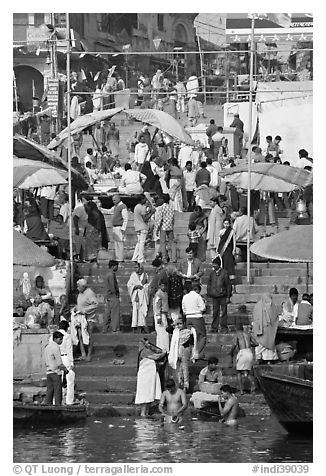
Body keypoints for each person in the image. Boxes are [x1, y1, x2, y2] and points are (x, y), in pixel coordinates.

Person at [135, 338, 166, 417]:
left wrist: (151, 346)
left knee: (150, 393)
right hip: (145, 376)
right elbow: (156, 357)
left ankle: (147, 412)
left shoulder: (149, 349)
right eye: (146, 343)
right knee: (146, 394)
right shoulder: (144, 351)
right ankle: (143, 413)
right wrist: (164, 353)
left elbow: (158, 351)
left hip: (150, 375)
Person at [168, 319, 197, 391]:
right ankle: (178, 384)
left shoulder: (189, 331)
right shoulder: (175, 331)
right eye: (177, 324)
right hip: (176, 351)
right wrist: (173, 324)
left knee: (184, 368)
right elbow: (167, 329)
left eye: (180, 324)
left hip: (185, 350)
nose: (179, 326)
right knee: (177, 368)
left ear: (184, 323)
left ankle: (186, 385)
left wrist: (193, 353)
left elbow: (191, 343)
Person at [207, 256, 232, 334]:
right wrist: (209, 293)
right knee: (215, 312)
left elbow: (228, 285)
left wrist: (228, 296)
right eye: (213, 264)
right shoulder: (212, 274)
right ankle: (214, 327)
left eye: (215, 264)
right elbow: (209, 284)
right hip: (214, 296)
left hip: (223, 296)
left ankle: (224, 327)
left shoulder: (225, 273)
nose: (213, 265)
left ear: (218, 265)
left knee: (224, 312)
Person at [230, 323, 257, 395]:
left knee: (239, 372)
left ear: (236, 329)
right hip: (249, 352)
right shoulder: (248, 334)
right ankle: (253, 389)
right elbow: (256, 343)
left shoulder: (237, 334)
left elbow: (235, 344)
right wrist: (249, 344)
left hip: (242, 353)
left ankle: (241, 391)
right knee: (248, 372)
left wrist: (230, 352)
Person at [252, 293, 279, 363]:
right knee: (269, 345)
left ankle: (259, 359)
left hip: (261, 330)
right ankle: (268, 360)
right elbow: (275, 318)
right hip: (269, 331)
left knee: (260, 345)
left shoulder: (257, 305)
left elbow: (255, 319)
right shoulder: (272, 306)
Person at [101, 194, 128, 263]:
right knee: (116, 243)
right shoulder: (116, 207)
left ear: (119, 199)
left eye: (115, 200)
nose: (113, 201)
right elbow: (109, 211)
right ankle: (117, 257)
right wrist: (101, 209)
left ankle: (120, 258)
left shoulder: (123, 206)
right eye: (113, 200)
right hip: (115, 227)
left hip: (119, 227)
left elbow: (125, 218)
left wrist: (123, 228)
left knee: (120, 243)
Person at [182, 283, 206, 360]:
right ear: (197, 290)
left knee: (189, 337)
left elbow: (184, 309)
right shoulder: (197, 296)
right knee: (202, 336)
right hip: (197, 318)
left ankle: (189, 353)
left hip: (188, 318)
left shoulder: (185, 297)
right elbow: (203, 308)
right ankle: (197, 353)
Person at [76, 278, 98, 361]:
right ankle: (83, 353)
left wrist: (85, 310)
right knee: (80, 335)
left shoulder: (89, 293)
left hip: (89, 318)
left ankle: (89, 354)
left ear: (83, 286)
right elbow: (80, 304)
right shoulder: (80, 293)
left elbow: (95, 304)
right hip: (80, 317)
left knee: (89, 336)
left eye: (79, 286)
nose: (77, 288)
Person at [44, 331, 67, 405]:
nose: (61, 341)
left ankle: (48, 406)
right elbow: (59, 363)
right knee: (57, 392)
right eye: (60, 339)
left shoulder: (47, 347)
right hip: (56, 373)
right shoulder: (56, 348)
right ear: (55, 339)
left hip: (48, 372)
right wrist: (66, 370)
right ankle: (58, 406)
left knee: (49, 391)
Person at [132, 195, 155, 264]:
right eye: (144, 199)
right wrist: (151, 212)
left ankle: (135, 257)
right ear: (141, 200)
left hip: (137, 226)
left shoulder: (136, 207)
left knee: (139, 243)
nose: (145, 200)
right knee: (142, 243)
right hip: (143, 227)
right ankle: (140, 258)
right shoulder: (141, 207)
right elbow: (145, 218)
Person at [127, 262, 150, 332]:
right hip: (136, 296)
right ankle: (134, 327)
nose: (135, 269)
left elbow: (147, 285)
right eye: (135, 267)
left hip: (143, 296)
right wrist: (136, 286)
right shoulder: (133, 275)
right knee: (135, 312)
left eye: (137, 267)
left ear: (140, 268)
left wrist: (143, 287)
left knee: (142, 312)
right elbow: (129, 285)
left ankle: (142, 326)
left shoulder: (145, 275)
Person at [156, 193, 177, 263]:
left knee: (163, 242)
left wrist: (157, 229)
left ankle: (164, 258)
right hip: (170, 226)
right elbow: (173, 218)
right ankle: (174, 258)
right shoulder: (172, 207)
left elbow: (160, 219)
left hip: (163, 227)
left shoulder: (161, 208)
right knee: (172, 243)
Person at [58, 320, 75, 405]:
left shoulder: (52, 336)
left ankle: (56, 401)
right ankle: (69, 401)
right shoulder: (67, 336)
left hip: (56, 358)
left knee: (57, 380)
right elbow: (69, 350)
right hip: (65, 358)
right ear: (67, 328)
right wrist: (71, 362)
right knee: (70, 379)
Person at [218, 217, 236, 292]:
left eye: (227, 223)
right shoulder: (221, 231)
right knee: (223, 264)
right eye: (225, 223)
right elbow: (219, 241)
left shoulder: (232, 231)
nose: (226, 225)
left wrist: (234, 249)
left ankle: (231, 281)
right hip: (222, 251)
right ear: (223, 224)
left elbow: (234, 241)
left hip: (229, 250)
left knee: (229, 264)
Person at [103, 260, 120, 333]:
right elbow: (113, 287)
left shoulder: (108, 274)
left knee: (107, 313)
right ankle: (115, 329)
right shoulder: (111, 274)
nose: (117, 267)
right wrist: (116, 294)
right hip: (113, 296)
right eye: (117, 266)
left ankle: (105, 328)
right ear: (113, 266)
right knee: (115, 313)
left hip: (108, 296)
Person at [153, 281, 170, 352]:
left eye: (165, 286)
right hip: (160, 314)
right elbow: (157, 306)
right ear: (159, 286)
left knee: (164, 332)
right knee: (162, 332)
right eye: (162, 286)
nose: (164, 287)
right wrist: (158, 317)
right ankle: (162, 348)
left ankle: (163, 348)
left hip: (164, 314)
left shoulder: (165, 293)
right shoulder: (158, 294)